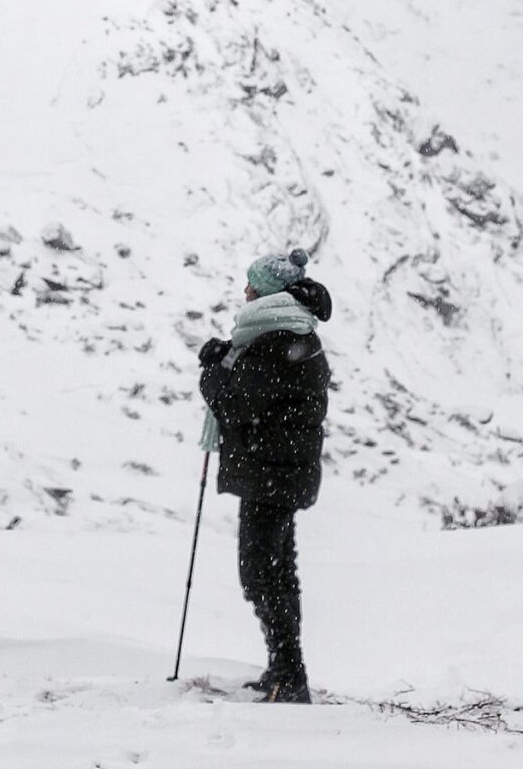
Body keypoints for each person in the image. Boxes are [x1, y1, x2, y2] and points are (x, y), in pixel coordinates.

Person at [198, 247, 331, 704]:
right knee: (276, 571)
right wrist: (228, 359)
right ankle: (285, 669)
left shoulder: (275, 340)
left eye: (251, 284)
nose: (245, 290)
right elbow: (257, 395)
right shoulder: (288, 333)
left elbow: (236, 407)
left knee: (260, 573)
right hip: (281, 472)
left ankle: (290, 674)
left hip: (272, 474)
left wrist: (211, 371)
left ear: (268, 293)